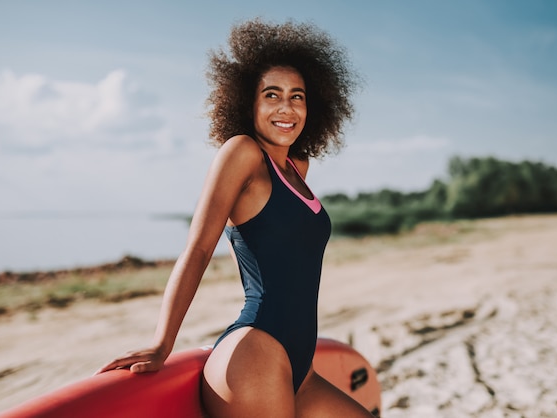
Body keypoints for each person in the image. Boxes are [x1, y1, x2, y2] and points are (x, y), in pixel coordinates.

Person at [97, 18, 371, 417]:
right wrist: (162, 343)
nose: (286, 107)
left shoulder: (298, 167)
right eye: (272, 94)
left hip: (302, 370)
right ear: (248, 103)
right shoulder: (242, 152)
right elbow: (200, 246)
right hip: (254, 357)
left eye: (298, 96)